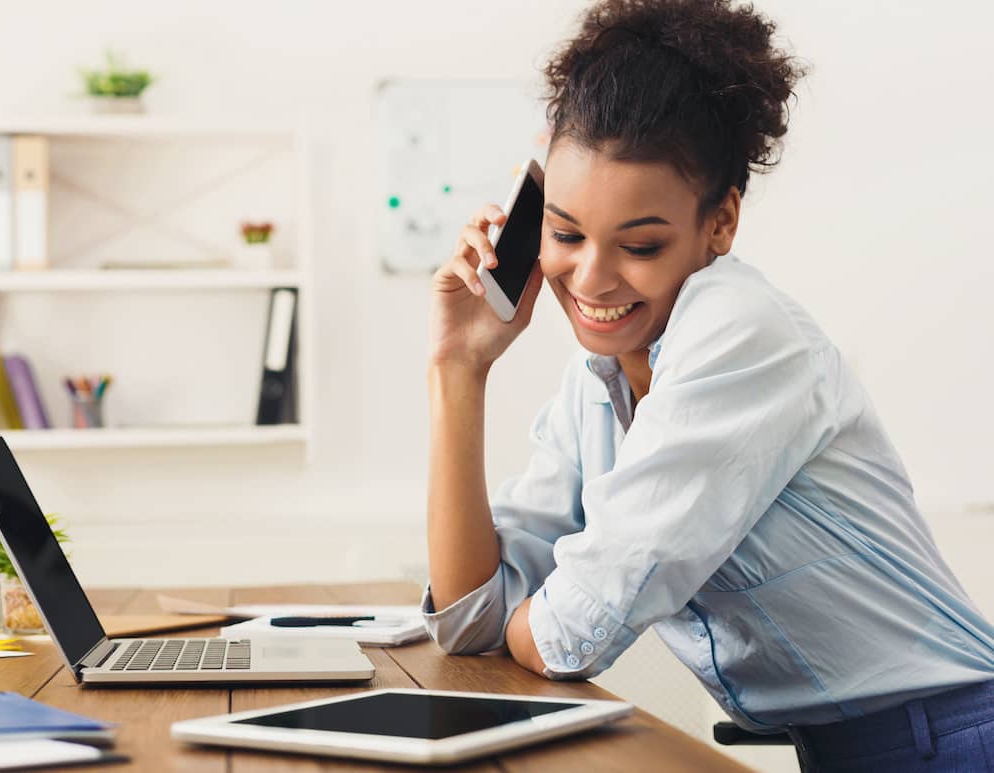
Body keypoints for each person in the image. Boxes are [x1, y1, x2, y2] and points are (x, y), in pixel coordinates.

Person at [421, 1, 994, 770]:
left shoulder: (740, 331)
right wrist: (458, 369)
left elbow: (570, 634)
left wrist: (536, 610)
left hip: (955, 740)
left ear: (720, 224)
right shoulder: (595, 384)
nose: (591, 278)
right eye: (564, 233)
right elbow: (470, 618)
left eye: (641, 243)